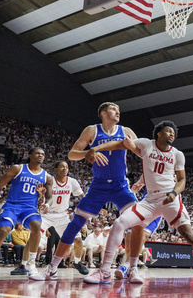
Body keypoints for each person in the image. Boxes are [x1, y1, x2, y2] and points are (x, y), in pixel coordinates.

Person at [83, 120, 193, 285]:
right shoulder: (146, 144)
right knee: (119, 223)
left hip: (170, 199)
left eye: (174, 134)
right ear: (159, 133)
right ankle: (106, 271)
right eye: (169, 132)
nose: (172, 135)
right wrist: (95, 149)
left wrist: (174, 192)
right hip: (149, 200)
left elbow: (182, 180)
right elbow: (120, 144)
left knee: (188, 235)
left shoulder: (177, 154)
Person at [43, 102, 138, 280]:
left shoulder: (126, 131)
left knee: (136, 223)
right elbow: (72, 154)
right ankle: (53, 267)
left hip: (121, 185)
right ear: (103, 113)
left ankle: (130, 267)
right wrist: (86, 153)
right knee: (75, 225)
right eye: (113, 109)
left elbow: (141, 150)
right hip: (98, 185)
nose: (118, 112)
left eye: (118, 110)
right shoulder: (92, 130)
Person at [0, 147, 52, 280]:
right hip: (12, 205)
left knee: (37, 225)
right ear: (30, 155)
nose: (40, 156)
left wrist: (44, 200)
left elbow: (49, 196)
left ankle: (31, 264)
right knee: (3, 230)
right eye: (37, 153)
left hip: (29, 208)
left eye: (43, 154)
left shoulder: (46, 176)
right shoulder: (18, 168)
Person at [35, 161, 87, 273]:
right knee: (34, 236)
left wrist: (87, 209)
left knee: (78, 239)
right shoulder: (49, 181)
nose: (65, 169)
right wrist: (40, 199)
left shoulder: (72, 182)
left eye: (67, 167)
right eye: (62, 166)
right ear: (55, 169)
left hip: (62, 215)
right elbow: (40, 197)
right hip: (46, 214)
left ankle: (77, 262)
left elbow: (82, 197)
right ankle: (25, 264)